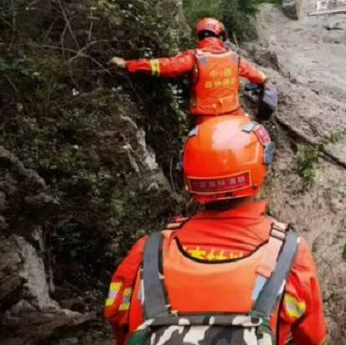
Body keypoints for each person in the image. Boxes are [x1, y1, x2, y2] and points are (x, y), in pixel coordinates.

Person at [104, 116, 328, 345]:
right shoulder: (289, 254)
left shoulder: (147, 252)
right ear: (261, 170)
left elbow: (117, 319)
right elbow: (312, 337)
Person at [110, 18, 277, 123]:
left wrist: (130, 64)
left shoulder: (194, 57)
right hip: (234, 114)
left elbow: (165, 66)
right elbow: (259, 77)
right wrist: (266, 83)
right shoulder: (234, 58)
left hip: (205, 119)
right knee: (256, 137)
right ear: (220, 37)